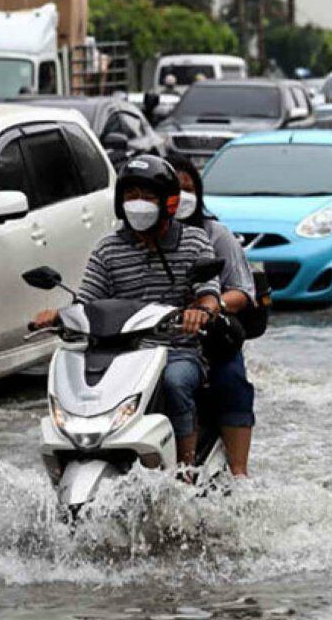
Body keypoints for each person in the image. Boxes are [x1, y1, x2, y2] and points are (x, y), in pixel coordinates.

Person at [31, 156, 223, 471]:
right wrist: (57, 316)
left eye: (147, 197)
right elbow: (87, 301)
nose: (138, 204)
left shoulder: (193, 241)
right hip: (118, 354)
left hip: (177, 349)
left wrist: (200, 311)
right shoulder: (108, 249)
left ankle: (185, 469)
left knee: (176, 383)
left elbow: (209, 293)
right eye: (131, 196)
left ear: (168, 201)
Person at [169, 155, 258, 478]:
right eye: (174, 189)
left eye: (188, 189)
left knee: (230, 380)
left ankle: (238, 472)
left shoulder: (211, 235)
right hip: (150, 341)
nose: (182, 197)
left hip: (207, 338)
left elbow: (242, 291)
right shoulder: (124, 241)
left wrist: (208, 307)